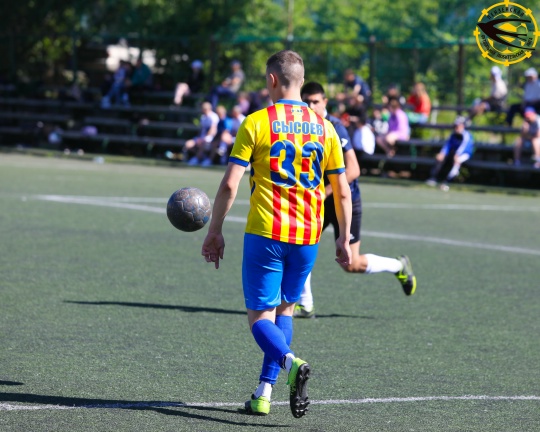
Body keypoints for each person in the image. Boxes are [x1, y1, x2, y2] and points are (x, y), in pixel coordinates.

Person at [201, 50, 352, 418]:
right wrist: (343, 238)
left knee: (259, 318)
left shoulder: (256, 122)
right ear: (301, 80)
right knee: (286, 309)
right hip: (308, 237)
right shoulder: (326, 127)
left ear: (272, 80)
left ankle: (290, 362)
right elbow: (343, 191)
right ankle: (264, 393)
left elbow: (230, 185)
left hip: (266, 233)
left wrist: (214, 230)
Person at [294, 82, 417, 319]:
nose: (310, 106)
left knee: (350, 264)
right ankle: (306, 304)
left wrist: (323, 192)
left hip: (344, 201)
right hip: (320, 201)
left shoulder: (335, 128)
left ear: (325, 102)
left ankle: (398, 266)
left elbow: (353, 170)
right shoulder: (301, 127)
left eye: (315, 101)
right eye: (306, 101)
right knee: (300, 246)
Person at [426, 116, 474, 191]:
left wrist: (457, 155)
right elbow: (447, 145)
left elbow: (464, 147)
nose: (456, 128)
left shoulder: (466, 136)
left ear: (463, 126)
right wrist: (442, 153)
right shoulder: (453, 135)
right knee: (440, 158)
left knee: (457, 162)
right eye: (455, 126)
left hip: (464, 155)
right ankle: (433, 178)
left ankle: (447, 181)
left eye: (458, 126)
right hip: (454, 154)